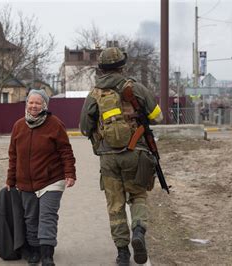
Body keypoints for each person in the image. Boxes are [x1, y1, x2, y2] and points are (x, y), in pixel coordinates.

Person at [79, 47, 163, 265]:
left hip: (108, 157)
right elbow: (158, 116)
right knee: (138, 196)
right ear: (122, 66)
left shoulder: (94, 94)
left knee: (115, 206)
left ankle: (123, 254)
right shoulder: (135, 87)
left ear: (101, 69)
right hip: (136, 153)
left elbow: (84, 128)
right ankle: (138, 231)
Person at [6, 89, 76, 266]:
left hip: (51, 180)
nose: (34, 106)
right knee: (31, 218)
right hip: (26, 182)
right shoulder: (18, 126)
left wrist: (70, 173)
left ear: (45, 105)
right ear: (26, 104)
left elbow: (65, 151)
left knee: (47, 216)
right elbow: (13, 155)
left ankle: (47, 255)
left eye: (38, 102)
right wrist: (10, 180)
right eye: (31, 102)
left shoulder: (55, 124)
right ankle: (35, 251)